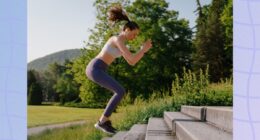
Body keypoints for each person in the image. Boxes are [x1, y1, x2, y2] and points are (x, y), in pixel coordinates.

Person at [86, 5, 152, 135]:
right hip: (95, 68)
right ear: (126, 29)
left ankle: (104, 121)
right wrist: (143, 50)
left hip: (100, 69)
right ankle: (102, 122)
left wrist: (143, 51)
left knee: (120, 91)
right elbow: (133, 59)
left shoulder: (122, 44)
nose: (134, 37)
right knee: (120, 91)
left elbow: (131, 62)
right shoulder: (117, 39)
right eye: (133, 34)